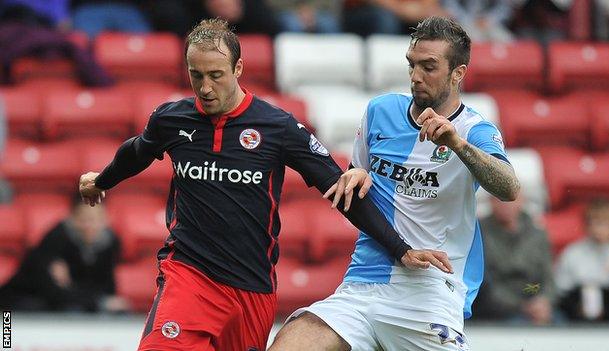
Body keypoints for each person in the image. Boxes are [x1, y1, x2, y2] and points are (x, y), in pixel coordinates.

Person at [78, 18, 452, 350]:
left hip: (251, 289)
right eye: (197, 75)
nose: (205, 88)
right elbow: (138, 152)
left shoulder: (278, 127)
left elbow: (339, 190)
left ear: (238, 67)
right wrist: (101, 180)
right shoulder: (171, 120)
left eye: (216, 75)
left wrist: (399, 248)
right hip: (189, 276)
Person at [270, 16, 520, 351]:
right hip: (362, 282)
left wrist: (458, 145)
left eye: (429, 67)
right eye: (412, 65)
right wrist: (360, 174)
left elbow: (509, 188)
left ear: (457, 73)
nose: (416, 77)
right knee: (291, 343)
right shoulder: (379, 111)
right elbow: (358, 188)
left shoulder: (475, 129)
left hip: (429, 290)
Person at [0, 196, 127, 313]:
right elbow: (53, 292)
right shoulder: (55, 240)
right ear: (72, 218)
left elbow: (107, 287)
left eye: (97, 218)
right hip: (23, 300)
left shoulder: (110, 242)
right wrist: (98, 302)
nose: (91, 225)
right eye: (85, 218)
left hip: (76, 302)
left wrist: (102, 302)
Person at [472, 195, 556, 325]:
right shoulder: (478, 232)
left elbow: (549, 278)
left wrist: (544, 301)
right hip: (496, 311)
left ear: (522, 201)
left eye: (511, 199)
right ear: (491, 202)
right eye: (500, 199)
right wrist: (522, 307)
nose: (506, 204)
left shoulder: (538, 234)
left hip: (536, 304)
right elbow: (485, 284)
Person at [555, 199, 609, 321]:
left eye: (606, 223)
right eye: (596, 223)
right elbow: (562, 289)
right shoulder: (573, 253)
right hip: (577, 311)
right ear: (587, 225)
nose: (600, 229)